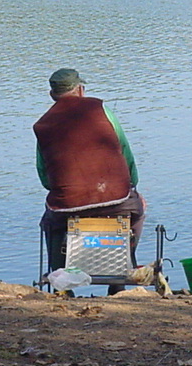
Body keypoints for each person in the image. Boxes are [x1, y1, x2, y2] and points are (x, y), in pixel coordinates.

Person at [33, 68, 145, 274]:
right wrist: (133, 187)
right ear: (81, 90)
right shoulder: (100, 111)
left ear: (52, 95)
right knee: (137, 213)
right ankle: (126, 267)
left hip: (67, 205)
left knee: (50, 225)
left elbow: (45, 177)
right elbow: (125, 150)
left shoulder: (42, 125)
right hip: (117, 200)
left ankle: (59, 277)